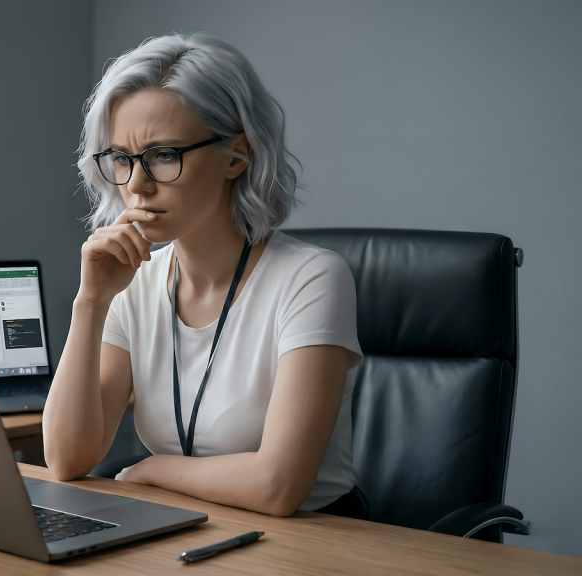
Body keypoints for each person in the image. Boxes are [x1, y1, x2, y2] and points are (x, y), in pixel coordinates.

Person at [42, 33, 366, 518]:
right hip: (186, 527)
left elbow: (278, 487)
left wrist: (155, 470)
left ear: (236, 156)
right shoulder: (133, 286)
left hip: (311, 540)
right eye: (122, 160)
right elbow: (67, 459)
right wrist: (90, 303)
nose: (136, 185)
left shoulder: (311, 278)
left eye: (164, 156)